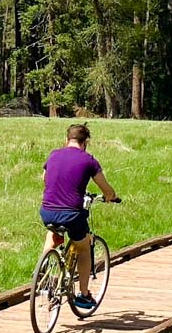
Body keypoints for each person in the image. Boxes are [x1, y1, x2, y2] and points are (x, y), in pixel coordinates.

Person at [40, 123, 119, 309]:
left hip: (47, 210)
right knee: (83, 248)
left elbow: (45, 177)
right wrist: (111, 197)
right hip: (72, 214)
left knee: (53, 233)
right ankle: (83, 294)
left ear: (66, 140)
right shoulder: (89, 160)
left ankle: (44, 267)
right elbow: (104, 186)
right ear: (85, 143)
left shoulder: (53, 155)